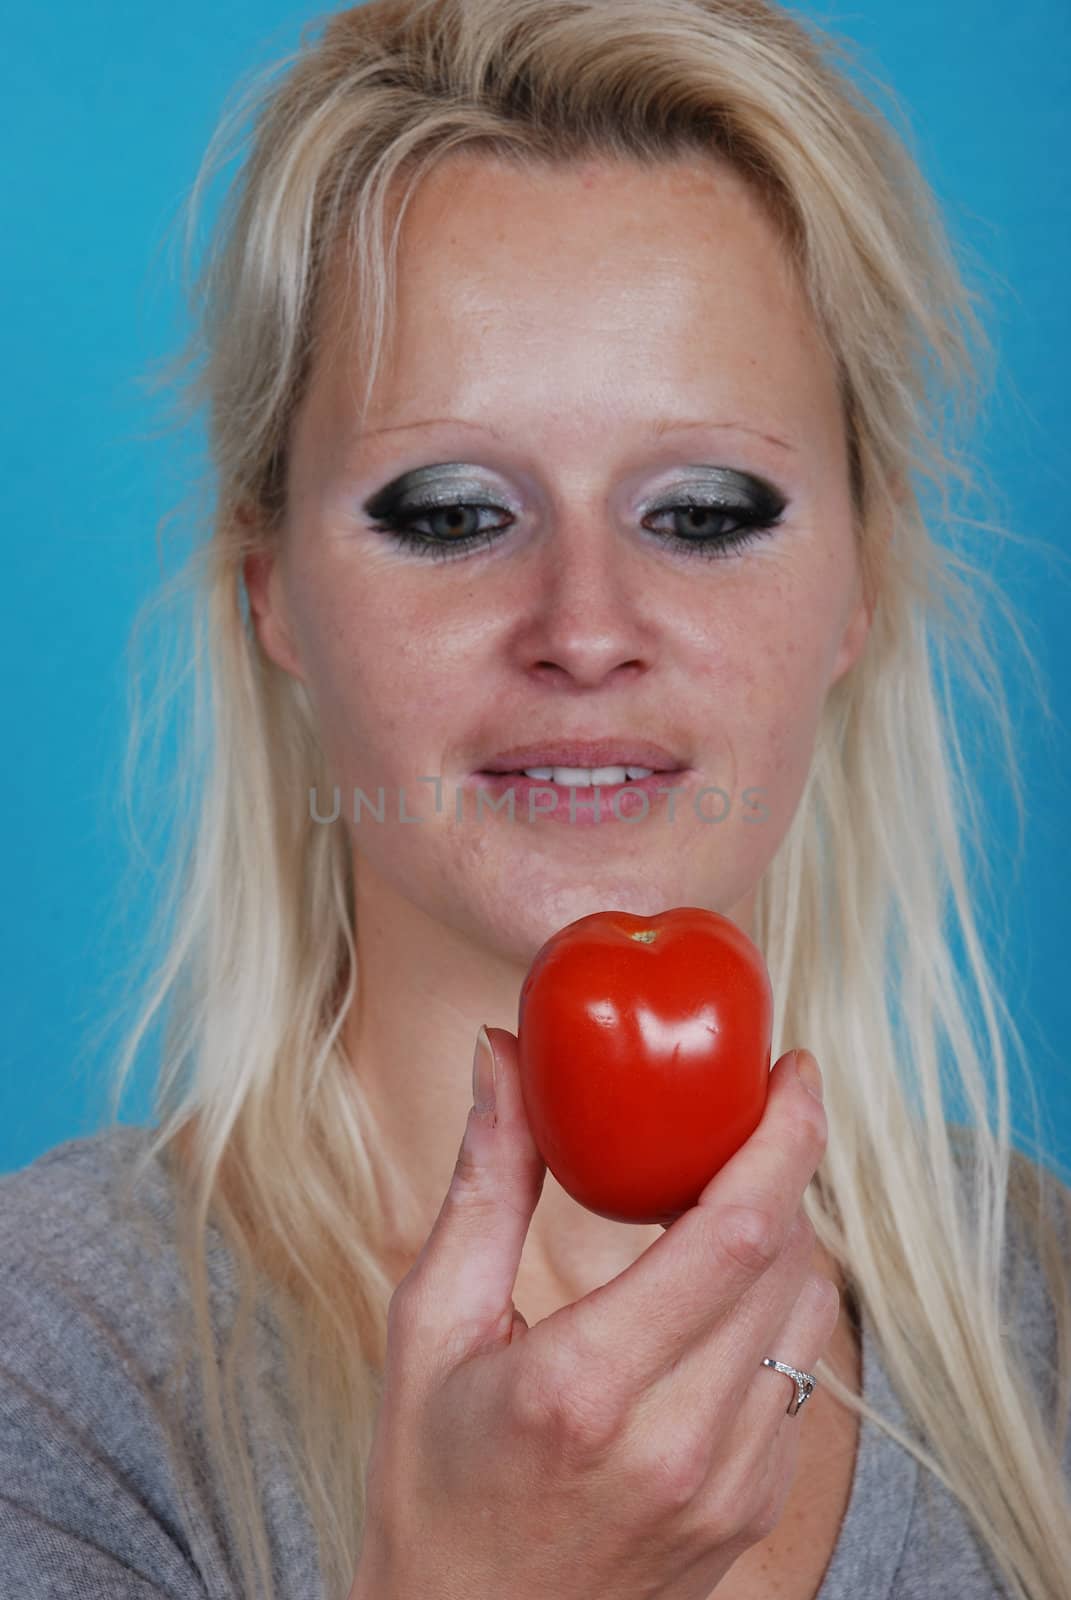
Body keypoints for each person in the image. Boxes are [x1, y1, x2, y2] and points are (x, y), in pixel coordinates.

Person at [1, 0, 1069, 1596]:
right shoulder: (53, 1366)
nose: (584, 628)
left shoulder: (1046, 1301)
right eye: (450, 512)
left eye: (704, 511)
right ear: (268, 587)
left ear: (863, 581)